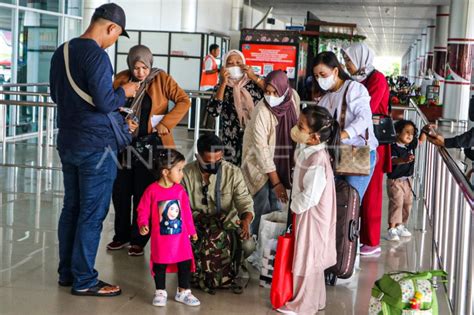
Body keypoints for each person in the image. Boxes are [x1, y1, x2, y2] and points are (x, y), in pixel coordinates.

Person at [49, 3, 140, 296]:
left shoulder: (61, 51)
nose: (114, 40)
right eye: (117, 35)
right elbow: (104, 102)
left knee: (72, 208)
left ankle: (67, 273)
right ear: (111, 28)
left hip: (69, 142)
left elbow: (55, 94)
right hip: (97, 147)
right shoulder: (97, 56)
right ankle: (85, 280)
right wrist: (123, 92)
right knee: (92, 213)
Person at [107, 45, 191, 256]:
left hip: (152, 144)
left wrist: (167, 123)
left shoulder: (161, 79)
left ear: (150, 65)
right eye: (136, 68)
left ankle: (139, 238)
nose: (140, 73)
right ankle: (121, 235)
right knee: (121, 192)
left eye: (144, 67)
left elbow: (184, 100)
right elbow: (109, 107)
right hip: (124, 144)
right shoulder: (121, 79)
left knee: (143, 192)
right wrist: (122, 121)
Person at [277, 106, 338, 314]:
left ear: (314, 137)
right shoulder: (308, 149)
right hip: (307, 213)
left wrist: (294, 206)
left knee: (308, 258)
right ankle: (317, 299)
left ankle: (303, 304)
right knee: (312, 257)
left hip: (311, 215)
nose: (296, 129)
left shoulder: (318, 159)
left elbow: (310, 196)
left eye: (300, 127)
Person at [182, 133, 255, 294]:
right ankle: (196, 270)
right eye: (208, 162)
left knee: (248, 245)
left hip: (227, 226)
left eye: (218, 160)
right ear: (198, 156)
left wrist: (246, 220)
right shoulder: (186, 174)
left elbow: (244, 201)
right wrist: (201, 220)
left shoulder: (233, 173)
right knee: (179, 241)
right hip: (196, 227)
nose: (214, 165)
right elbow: (182, 208)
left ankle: (229, 266)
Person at [342, 43, 392, 256]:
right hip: (355, 142)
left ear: (360, 59)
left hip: (372, 143)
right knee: (355, 189)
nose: (347, 65)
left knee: (371, 192)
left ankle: (371, 241)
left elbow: (366, 109)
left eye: (349, 61)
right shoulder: (355, 80)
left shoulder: (377, 79)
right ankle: (354, 234)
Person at [137, 149, 200, 307]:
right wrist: (143, 224)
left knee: (184, 262)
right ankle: (160, 291)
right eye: (179, 170)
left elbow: (186, 213)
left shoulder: (180, 191)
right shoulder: (152, 191)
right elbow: (142, 209)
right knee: (160, 263)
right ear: (165, 172)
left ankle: (183, 291)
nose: (182, 174)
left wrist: (191, 231)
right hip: (161, 239)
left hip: (181, 239)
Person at [241, 70, 300, 235]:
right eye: (267, 91)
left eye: (275, 92)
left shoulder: (293, 97)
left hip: (283, 159)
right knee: (261, 204)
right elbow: (262, 150)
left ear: (284, 90)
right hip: (259, 164)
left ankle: (273, 247)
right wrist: (276, 182)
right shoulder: (261, 112)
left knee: (277, 207)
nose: (270, 96)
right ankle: (256, 245)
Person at [314, 51, 378, 200]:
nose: (319, 79)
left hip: (357, 152)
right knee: (332, 202)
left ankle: (350, 224)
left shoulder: (354, 89)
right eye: (316, 76)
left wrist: (341, 135)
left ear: (335, 71)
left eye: (323, 74)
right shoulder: (325, 97)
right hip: (335, 153)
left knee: (350, 202)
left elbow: (364, 118)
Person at [207, 49, 265, 166]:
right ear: (224, 67)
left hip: (256, 135)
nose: (235, 66)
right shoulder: (221, 86)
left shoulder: (253, 82)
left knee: (254, 170)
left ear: (244, 64)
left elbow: (273, 92)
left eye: (239, 63)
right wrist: (223, 83)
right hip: (231, 139)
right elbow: (214, 111)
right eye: (230, 63)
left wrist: (253, 77)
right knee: (233, 173)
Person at [386, 120, 426, 241]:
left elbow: (420, 142)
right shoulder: (392, 147)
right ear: (397, 133)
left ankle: (400, 225)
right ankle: (391, 228)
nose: (410, 135)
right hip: (395, 181)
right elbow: (392, 161)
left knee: (407, 203)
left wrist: (425, 130)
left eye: (412, 133)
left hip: (407, 181)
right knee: (396, 203)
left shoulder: (409, 145)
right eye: (406, 132)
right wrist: (402, 160)